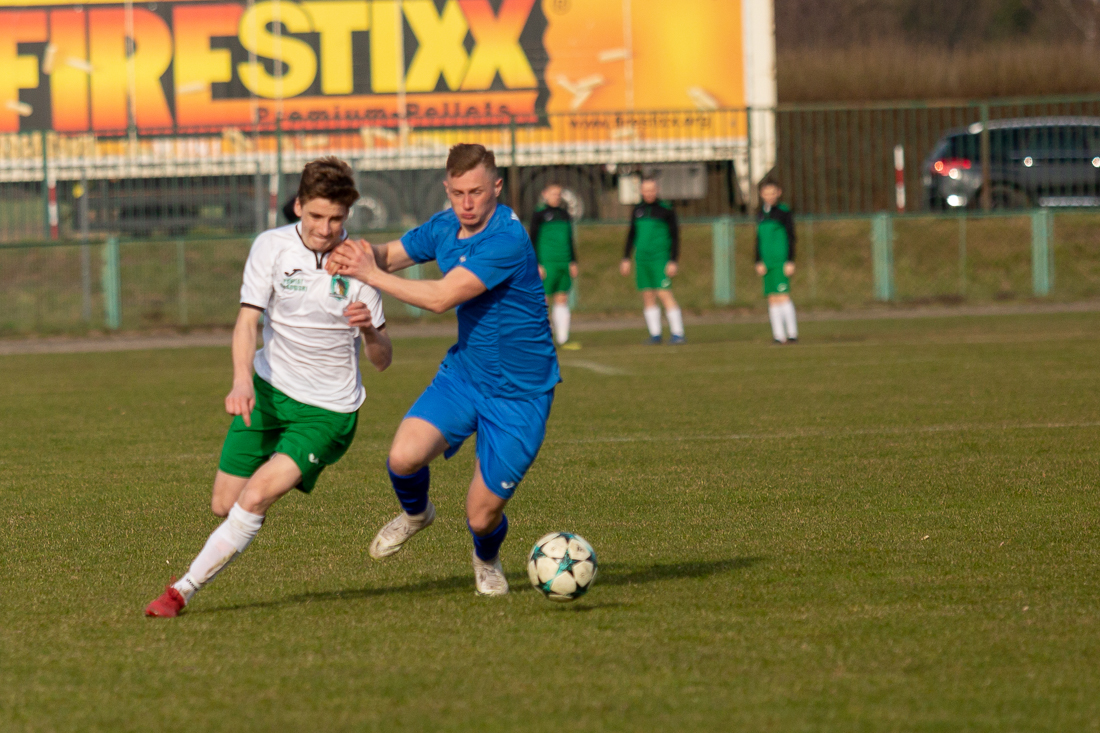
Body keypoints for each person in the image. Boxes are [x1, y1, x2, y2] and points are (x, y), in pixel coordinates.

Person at [144, 157, 392, 617]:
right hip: (268, 392)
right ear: (298, 206)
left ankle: (180, 591)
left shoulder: (360, 263)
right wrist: (242, 381)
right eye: (316, 216)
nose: (325, 229)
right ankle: (262, 494)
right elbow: (247, 321)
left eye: (336, 218)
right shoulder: (271, 247)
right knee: (224, 504)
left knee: (255, 496)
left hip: (327, 411)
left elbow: (382, 360)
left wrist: (370, 331)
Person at [327, 144, 560, 597]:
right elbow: (388, 254)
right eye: (457, 193)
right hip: (466, 375)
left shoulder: (507, 239)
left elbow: (440, 298)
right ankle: (417, 515)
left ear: (497, 187)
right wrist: (349, 252)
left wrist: (369, 274)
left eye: (476, 192)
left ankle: (486, 559)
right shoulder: (444, 226)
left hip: (520, 394)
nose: (466, 204)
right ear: (446, 189)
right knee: (402, 458)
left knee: (481, 516)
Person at [620, 178, 685, 344]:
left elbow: (675, 236)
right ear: (641, 191)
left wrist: (673, 260)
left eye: (652, 190)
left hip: (660, 258)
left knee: (664, 293)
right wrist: (626, 258)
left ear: (657, 190)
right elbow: (631, 234)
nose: (649, 193)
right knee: (647, 295)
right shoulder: (638, 210)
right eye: (646, 190)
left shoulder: (666, 209)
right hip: (642, 259)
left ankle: (678, 333)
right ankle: (655, 334)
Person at [529, 183, 580, 349]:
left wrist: (573, 261)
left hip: (563, 262)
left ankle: (563, 339)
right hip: (547, 263)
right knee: (542, 299)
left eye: (559, 194)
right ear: (545, 194)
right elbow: (532, 240)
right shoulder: (539, 214)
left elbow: (570, 239)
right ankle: (540, 338)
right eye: (553, 193)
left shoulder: (565, 214)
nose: (556, 197)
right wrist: (537, 263)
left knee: (562, 297)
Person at [754, 180, 798, 344]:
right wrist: (758, 260)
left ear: (778, 193)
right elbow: (758, 239)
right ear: (761, 194)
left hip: (780, 260)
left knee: (783, 296)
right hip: (767, 262)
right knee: (772, 297)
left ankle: (792, 333)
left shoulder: (784, 212)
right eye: (766, 193)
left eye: (772, 193)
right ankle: (778, 335)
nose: (769, 196)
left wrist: (790, 260)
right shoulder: (760, 213)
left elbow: (792, 237)